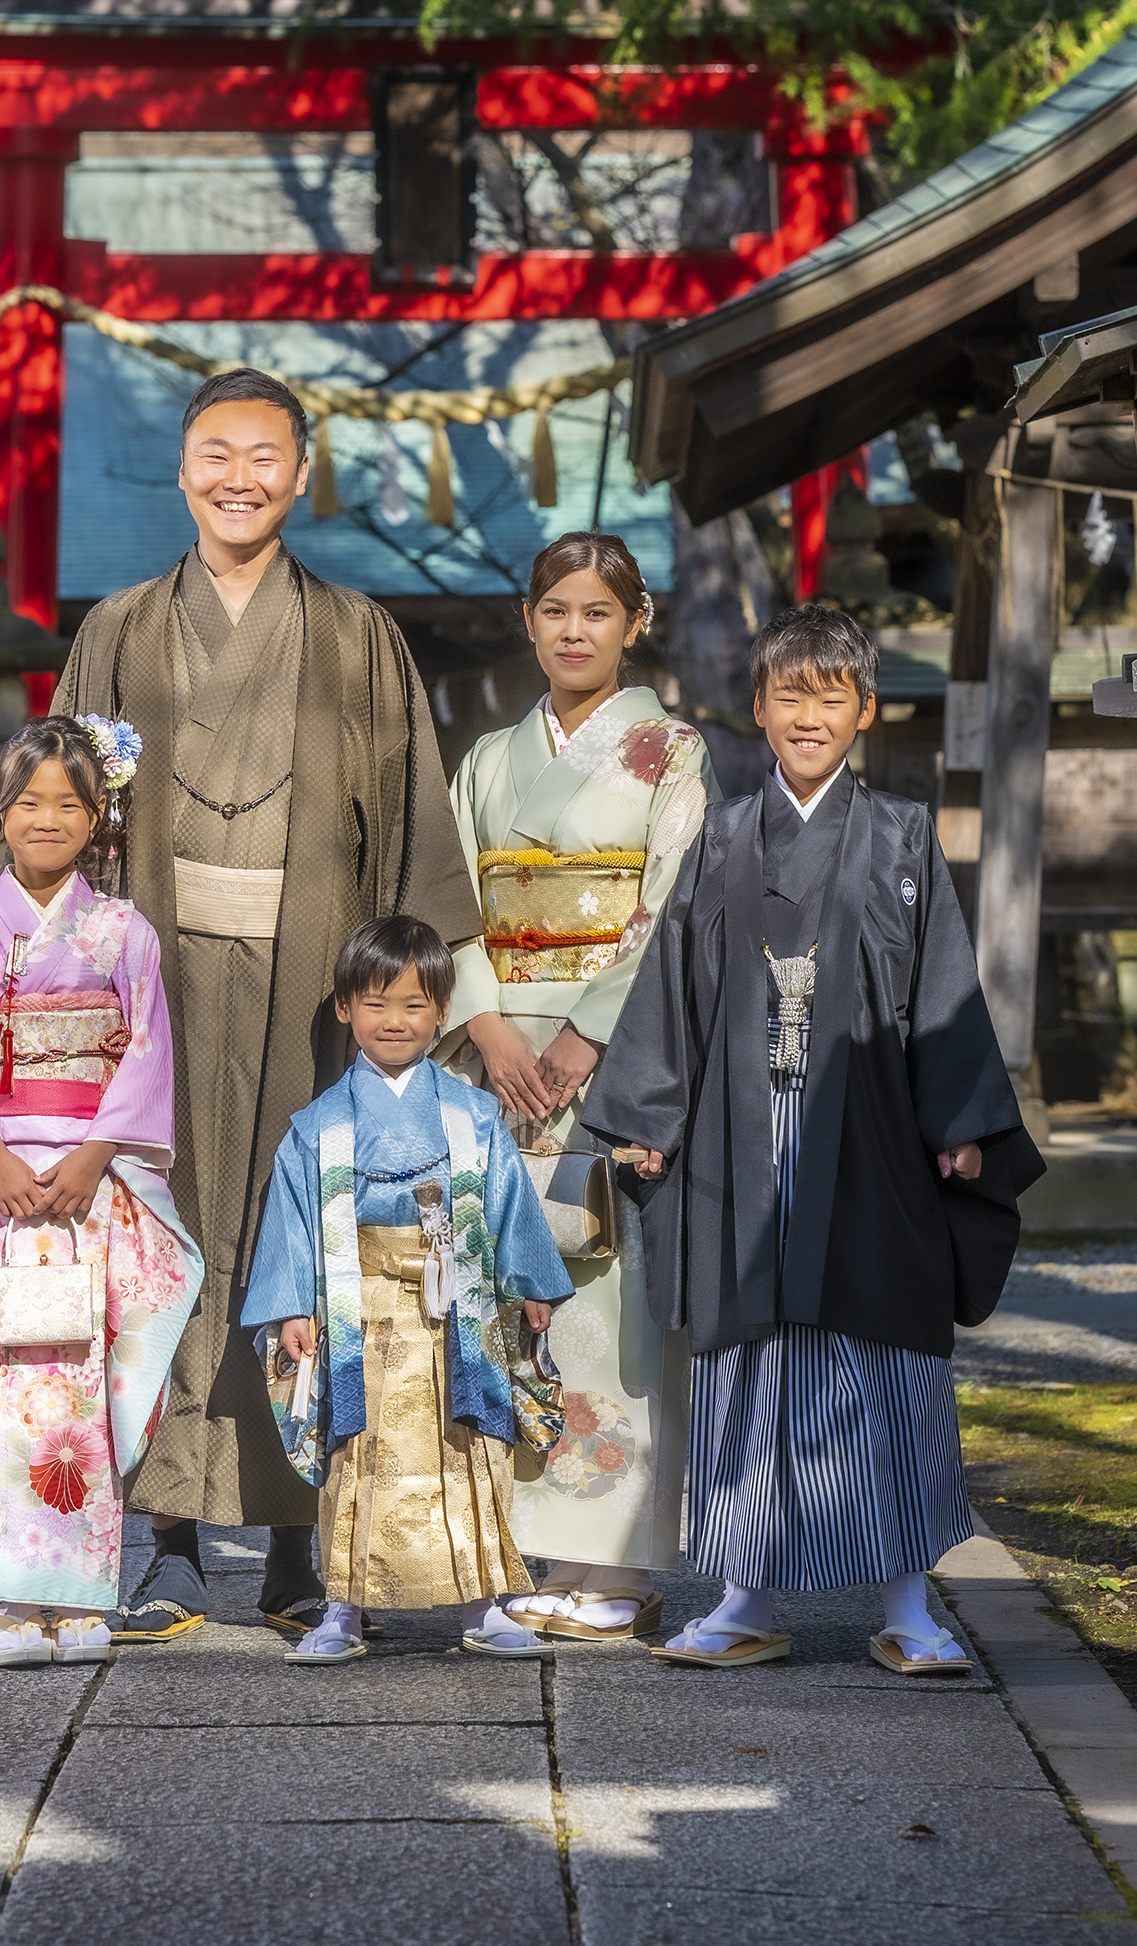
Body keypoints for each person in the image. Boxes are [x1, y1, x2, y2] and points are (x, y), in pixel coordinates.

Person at [51, 370, 481, 1640]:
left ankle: (302, 1538)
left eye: (264, 457)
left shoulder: (356, 634)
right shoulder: (121, 628)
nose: (238, 477)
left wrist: (401, 1015)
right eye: (214, 453)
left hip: (311, 981)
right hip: (158, 985)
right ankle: (170, 1537)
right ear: (181, 470)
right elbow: (61, 814)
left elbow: (406, 830)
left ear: (302, 477)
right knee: (159, 1239)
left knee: (312, 1238)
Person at [584, 605, 1045, 1675]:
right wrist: (649, 1116)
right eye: (789, 694)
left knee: (882, 1359)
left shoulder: (900, 835)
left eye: (830, 696)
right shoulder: (727, 835)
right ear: (758, 706)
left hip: (871, 1140)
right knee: (752, 1366)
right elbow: (674, 989)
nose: (808, 715)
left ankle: (910, 1604)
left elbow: (943, 988)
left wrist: (963, 1118)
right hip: (743, 1146)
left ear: (865, 712)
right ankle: (745, 1596)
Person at [443, 533, 716, 1643]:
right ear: (528, 620)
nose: (572, 629)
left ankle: (616, 1568)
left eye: (596, 613)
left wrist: (587, 1036)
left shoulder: (672, 750)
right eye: (554, 608)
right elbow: (450, 896)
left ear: (633, 623)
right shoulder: (486, 761)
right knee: (505, 1298)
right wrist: (493, 1025)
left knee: (608, 1300)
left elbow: (672, 901)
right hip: (496, 1055)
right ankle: (515, 1541)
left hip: (612, 1053)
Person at [0, 717, 202, 1665]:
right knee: (2, 1391)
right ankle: (13, 1604)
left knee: (79, 1390)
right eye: (30, 803)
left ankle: (79, 1600)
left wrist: (95, 1153)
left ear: (98, 815)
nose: (47, 819)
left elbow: (146, 1050)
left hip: (90, 1185)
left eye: (68, 804)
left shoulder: (124, 932)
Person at [241, 915, 573, 1663]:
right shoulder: (316, 1125)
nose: (394, 1021)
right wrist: (292, 1305)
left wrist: (528, 1284)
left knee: (470, 1441)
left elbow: (508, 1202)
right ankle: (344, 1607)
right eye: (376, 1003)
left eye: (414, 1005)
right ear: (343, 1008)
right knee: (356, 1451)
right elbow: (292, 1222)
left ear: (442, 1014)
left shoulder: (472, 1114)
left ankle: (484, 1603)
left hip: (457, 1305)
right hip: (357, 1308)